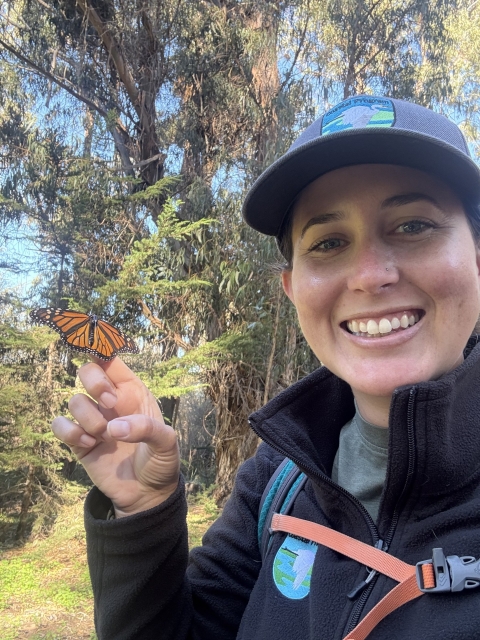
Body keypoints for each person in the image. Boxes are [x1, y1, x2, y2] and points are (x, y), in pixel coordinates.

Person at [52, 95, 480, 640]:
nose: (370, 275)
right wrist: (143, 513)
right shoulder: (279, 476)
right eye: (327, 242)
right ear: (293, 290)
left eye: (414, 225)